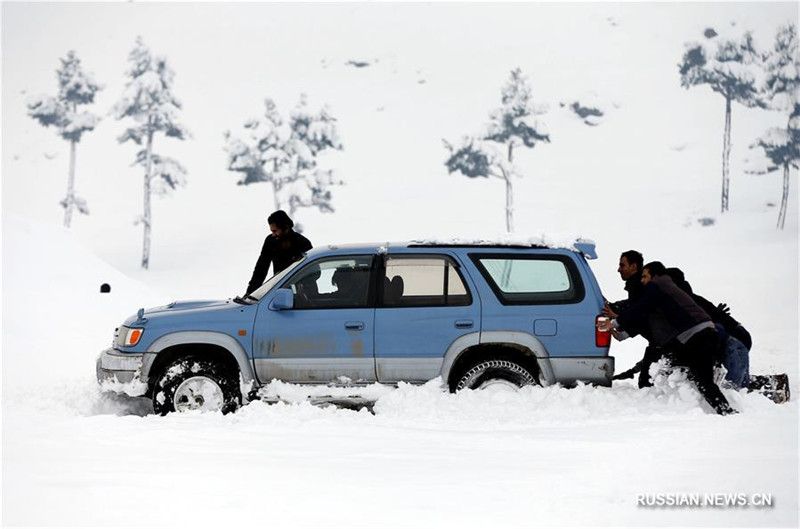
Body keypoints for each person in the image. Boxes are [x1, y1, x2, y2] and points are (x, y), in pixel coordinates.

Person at [600, 261, 736, 415]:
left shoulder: (657, 286)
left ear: (655, 276)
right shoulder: (666, 291)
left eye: (645, 276)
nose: (642, 280)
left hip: (699, 338)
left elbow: (639, 308)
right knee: (696, 377)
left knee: (703, 381)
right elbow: (646, 318)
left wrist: (614, 323)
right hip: (699, 337)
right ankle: (723, 409)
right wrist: (623, 334)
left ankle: (727, 412)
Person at [605, 250, 662, 388]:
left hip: (662, 341)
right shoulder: (636, 286)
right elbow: (633, 308)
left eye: (622, 265)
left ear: (634, 266)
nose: (618, 269)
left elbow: (641, 315)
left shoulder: (639, 286)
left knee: (646, 383)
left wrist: (619, 323)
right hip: (658, 341)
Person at [244, 210, 312, 296]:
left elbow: (313, 271)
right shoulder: (270, 241)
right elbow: (261, 269)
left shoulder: (303, 243)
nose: (273, 234)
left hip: (304, 295)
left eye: (275, 231)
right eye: (272, 231)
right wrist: (250, 293)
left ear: (286, 228)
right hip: (281, 292)